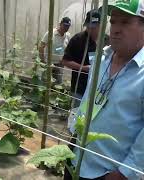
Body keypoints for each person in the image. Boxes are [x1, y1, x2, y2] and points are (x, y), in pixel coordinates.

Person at [67, 0, 144, 179]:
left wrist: (125, 173)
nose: (115, 29)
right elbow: (88, 99)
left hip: (108, 173)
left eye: (125, 22)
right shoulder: (102, 59)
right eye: (113, 21)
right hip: (75, 159)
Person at [62, 10, 109, 107]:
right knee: (77, 118)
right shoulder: (78, 39)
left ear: (101, 25)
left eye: (94, 27)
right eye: (88, 27)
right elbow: (65, 61)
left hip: (100, 91)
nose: (90, 30)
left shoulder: (107, 40)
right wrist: (83, 68)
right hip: (80, 89)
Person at [39, 17, 71, 84]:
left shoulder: (67, 36)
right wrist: (42, 60)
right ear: (60, 24)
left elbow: (67, 49)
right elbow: (41, 46)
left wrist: (65, 59)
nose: (66, 28)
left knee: (57, 84)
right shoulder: (51, 33)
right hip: (49, 63)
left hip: (60, 64)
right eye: (65, 25)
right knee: (45, 83)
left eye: (68, 26)